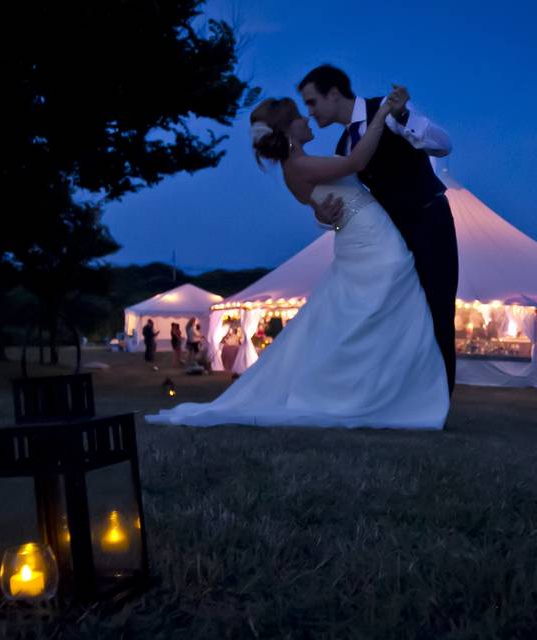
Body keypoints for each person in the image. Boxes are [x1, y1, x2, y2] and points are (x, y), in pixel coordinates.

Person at [147, 86, 448, 429]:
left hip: (360, 238)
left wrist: (324, 215)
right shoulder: (300, 165)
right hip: (369, 240)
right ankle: (379, 393)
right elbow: (356, 163)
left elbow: (321, 206)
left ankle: (384, 391)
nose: (308, 119)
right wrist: (380, 114)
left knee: (369, 313)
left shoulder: (298, 166)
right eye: (301, 116)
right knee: (385, 301)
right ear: (289, 129)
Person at [299, 65, 458, 400]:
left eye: (312, 103)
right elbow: (349, 202)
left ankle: (440, 401)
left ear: (333, 93)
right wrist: (324, 215)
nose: (310, 113)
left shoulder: (386, 110)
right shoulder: (344, 148)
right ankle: (400, 397)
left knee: (438, 309)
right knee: (399, 312)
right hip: (390, 239)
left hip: (429, 221)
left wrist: (402, 118)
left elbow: (443, 145)